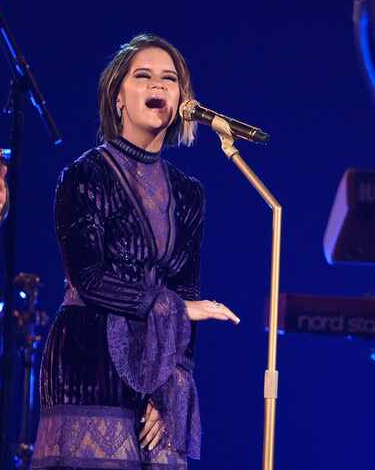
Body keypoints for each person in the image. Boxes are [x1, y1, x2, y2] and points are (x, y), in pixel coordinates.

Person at [31, 34, 240, 469]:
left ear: (184, 99)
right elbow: (89, 279)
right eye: (143, 77)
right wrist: (175, 306)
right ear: (118, 96)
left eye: (169, 79)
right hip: (87, 360)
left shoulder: (189, 194)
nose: (158, 86)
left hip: (155, 363)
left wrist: (167, 389)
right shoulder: (85, 175)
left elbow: (186, 290)